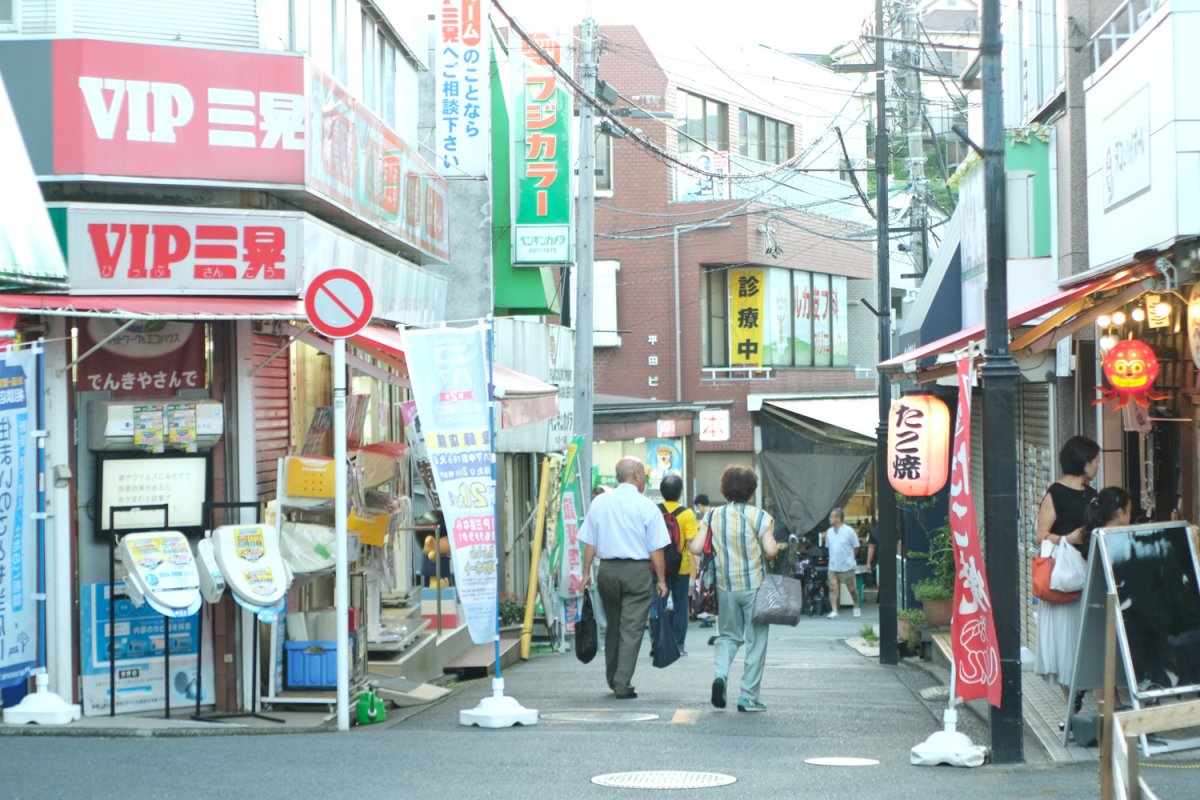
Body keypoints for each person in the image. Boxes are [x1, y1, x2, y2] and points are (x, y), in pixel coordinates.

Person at [580, 457, 669, 699]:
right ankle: (622, 682)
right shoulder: (647, 506)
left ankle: (613, 677)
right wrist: (661, 580)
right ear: (638, 475)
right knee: (631, 628)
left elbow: (590, 541)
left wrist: (586, 572)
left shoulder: (600, 503)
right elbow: (656, 549)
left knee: (614, 626)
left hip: (607, 571)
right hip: (637, 572)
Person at [690, 464, 777, 713]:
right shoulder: (759, 517)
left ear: (725, 490)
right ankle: (748, 697)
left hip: (725, 587)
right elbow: (770, 551)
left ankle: (720, 676)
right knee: (756, 640)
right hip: (754, 588)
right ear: (751, 490)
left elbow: (696, 548)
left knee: (728, 637)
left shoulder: (711, 516)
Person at [1035, 434, 1100, 700]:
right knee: (1065, 640)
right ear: (1083, 462)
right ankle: (1071, 704)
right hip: (1062, 575)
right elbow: (1041, 535)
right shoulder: (1056, 493)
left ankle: (1096, 702)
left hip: (1089, 573)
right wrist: (1067, 539)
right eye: (1095, 461)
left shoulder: (1094, 495)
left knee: (1089, 639)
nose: (1097, 466)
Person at [650, 475, 698, 656]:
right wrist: (698, 565)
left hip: (657, 564)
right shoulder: (687, 514)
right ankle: (678, 645)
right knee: (680, 606)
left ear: (662, 492)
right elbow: (692, 544)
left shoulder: (654, 510)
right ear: (680, 493)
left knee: (656, 604)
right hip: (681, 566)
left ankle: (656, 643)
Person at [823, 508, 860, 619]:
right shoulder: (829, 532)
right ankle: (834, 610)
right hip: (833, 565)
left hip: (847, 565)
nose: (830, 519)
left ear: (838, 518)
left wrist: (851, 557)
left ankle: (856, 605)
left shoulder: (849, 531)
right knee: (833, 586)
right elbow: (829, 547)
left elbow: (856, 547)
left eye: (832, 517)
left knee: (852, 589)